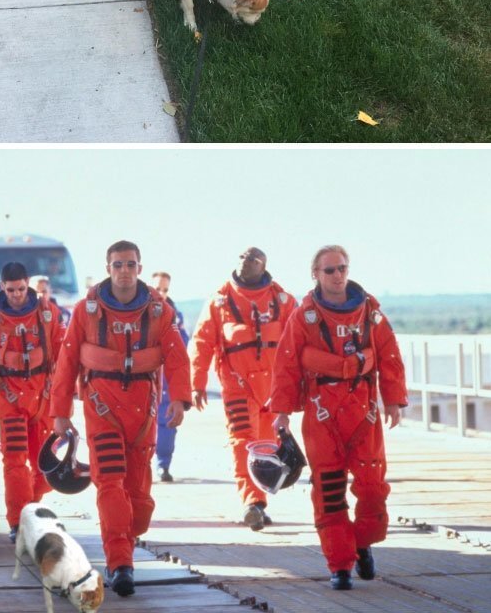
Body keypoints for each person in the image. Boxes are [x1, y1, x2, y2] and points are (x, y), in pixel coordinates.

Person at [50, 241, 192, 598]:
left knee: (139, 499)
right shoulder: (87, 311)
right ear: (108, 268)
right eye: (118, 265)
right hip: (102, 410)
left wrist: (179, 399)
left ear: (139, 268)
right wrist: (60, 413)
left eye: (130, 265)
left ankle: (125, 542)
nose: (124, 271)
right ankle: (120, 564)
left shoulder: (159, 311)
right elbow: (67, 363)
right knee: (110, 484)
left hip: (143, 413)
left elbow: (176, 357)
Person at [269, 245, 408, 591]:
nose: (337, 275)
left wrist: (393, 400)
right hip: (322, 415)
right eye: (329, 270)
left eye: (341, 268)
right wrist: (282, 412)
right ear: (315, 274)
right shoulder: (304, 317)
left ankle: (361, 542)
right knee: (329, 492)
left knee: (373, 490)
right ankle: (340, 565)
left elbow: (388, 354)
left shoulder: (369, 312)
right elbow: (286, 363)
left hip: (364, 413)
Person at [189, 247, 297, 530]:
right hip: (237, 385)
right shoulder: (220, 301)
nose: (245, 261)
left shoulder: (282, 300)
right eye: (242, 257)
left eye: (253, 259)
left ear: (264, 266)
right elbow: (202, 341)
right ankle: (253, 502)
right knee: (242, 442)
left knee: (270, 445)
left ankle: (261, 499)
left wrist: (301, 383)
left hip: (274, 387)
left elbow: (300, 342)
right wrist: (196, 382)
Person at [0, 261, 64, 541]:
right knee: (14, 461)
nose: (17, 295)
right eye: (11, 290)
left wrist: (64, 401)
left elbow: (63, 357)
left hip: (43, 396)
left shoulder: (47, 313)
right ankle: (17, 521)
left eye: (21, 289)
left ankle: (32, 511)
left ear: (28, 285)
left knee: (43, 462)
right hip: (8, 397)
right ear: (2, 287)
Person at [151, 271, 189, 483]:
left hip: (165, 376)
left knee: (167, 422)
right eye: (157, 288)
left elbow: (182, 346)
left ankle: (163, 464)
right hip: (142, 373)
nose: (161, 293)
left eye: (164, 290)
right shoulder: (134, 309)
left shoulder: (175, 315)